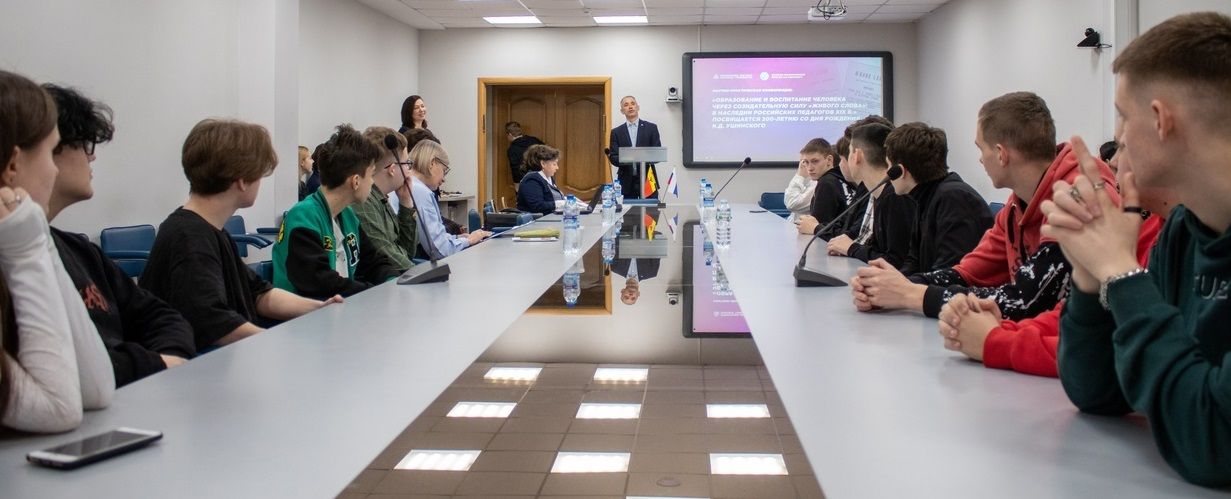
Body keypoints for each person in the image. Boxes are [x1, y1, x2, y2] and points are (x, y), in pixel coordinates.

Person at [1043, 12, 1231, 486]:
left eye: (1124, 116)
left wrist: (1122, 274)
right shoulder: (1185, 229)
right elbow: (1100, 393)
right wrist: (1091, 275)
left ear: (1160, 120)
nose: (1119, 138)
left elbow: (1214, 445)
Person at [850, 92, 1117, 322]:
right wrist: (891, 286)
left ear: (1001, 154)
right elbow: (967, 273)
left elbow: (1025, 301)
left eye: (981, 149)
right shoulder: (1016, 206)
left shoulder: (1078, 196)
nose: (980, 160)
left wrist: (912, 295)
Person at [938, 140, 1166, 378]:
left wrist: (996, 340)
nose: (1115, 160)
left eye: (1124, 145)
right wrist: (1001, 329)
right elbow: (1082, 323)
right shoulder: (1152, 227)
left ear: (1001, 154)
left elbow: (1111, 357)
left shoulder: (1086, 202)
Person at [142, 119, 342, 351]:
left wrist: (320, 309)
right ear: (241, 180)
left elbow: (258, 293)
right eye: (259, 174)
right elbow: (214, 324)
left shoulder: (211, 230)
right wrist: (283, 344)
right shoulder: (189, 238)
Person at [42, 84, 194, 385]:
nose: (92, 158)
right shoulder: (18, 262)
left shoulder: (80, 251)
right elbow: (67, 368)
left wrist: (167, 359)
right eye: (85, 144)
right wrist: (154, 363)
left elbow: (162, 317)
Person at [0, 70, 112, 432]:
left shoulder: (20, 240)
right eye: (50, 153)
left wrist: (37, 235)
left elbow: (96, 388)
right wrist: (28, 250)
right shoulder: (19, 250)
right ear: (13, 165)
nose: (53, 170)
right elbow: (60, 409)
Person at [273, 124, 399, 298]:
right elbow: (320, 281)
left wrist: (394, 282)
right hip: (307, 312)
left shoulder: (347, 215)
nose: (372, 182)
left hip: (340, 307)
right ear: (355, 181)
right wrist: (372, 293)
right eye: (371, 175)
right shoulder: (303, 217)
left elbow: (374, 262)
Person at [883, 122, 992, 276]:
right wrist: (892, 281)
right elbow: (914, 261)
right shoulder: (924, 197)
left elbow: (949, 271)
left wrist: (903, 286)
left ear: (899, 171)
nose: (886, 173)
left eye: (888, 166)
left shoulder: (954, 199)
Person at [825, 123, 916, 268]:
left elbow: (895, 261)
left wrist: (851, 248)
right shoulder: (878, 193)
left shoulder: (895, 197)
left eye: (849, 152)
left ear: (857, 156)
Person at [797, 115, 894, 237]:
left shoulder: (890, 196)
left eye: (848, 154)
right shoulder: (865, 189)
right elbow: (848, 229)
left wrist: (817, 229)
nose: (840, 164)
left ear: (857, 155)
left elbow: (855, 237)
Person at [408, 140, 491, 258]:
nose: (444, 179)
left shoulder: (409, 185)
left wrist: (456, 238)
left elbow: (432, 238)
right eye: (444, 171)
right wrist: (469, 240)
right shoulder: (421, 192)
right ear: (432, 163)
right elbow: (440, 251)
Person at [352, 126, 418, 274]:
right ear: (392, 169)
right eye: (407, 163)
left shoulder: (381, 197)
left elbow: (407, 252)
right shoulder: (363, 202)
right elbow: (389, 258)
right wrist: (422, 274)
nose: (409, 170)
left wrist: (406, 203)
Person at [606, 96, 661, 200]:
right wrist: (632, 157)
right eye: (626, 105)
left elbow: (657, 154)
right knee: (628, 211)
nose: (630, 107)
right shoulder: (616, 132)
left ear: (638, 107)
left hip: (648, 179)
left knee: (651, 210)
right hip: (626, 180)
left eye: (632, 103)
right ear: (622, 111)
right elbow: (613, 157)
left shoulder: (651, 128)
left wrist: (635, 156)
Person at [782, 139, 829, 222]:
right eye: (805, 162)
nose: (810, 168)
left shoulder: (822, 183)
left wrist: (800, 175)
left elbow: (791, 203)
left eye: (815, 161)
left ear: (829, 160)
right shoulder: (814, 181)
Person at [516, 144, 566, 215]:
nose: (557, 168)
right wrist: (561, 203)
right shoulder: (531, 180)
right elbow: (537, 206)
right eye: (554, 164)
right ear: (543, 164)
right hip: (535, 220)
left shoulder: (548, 177)